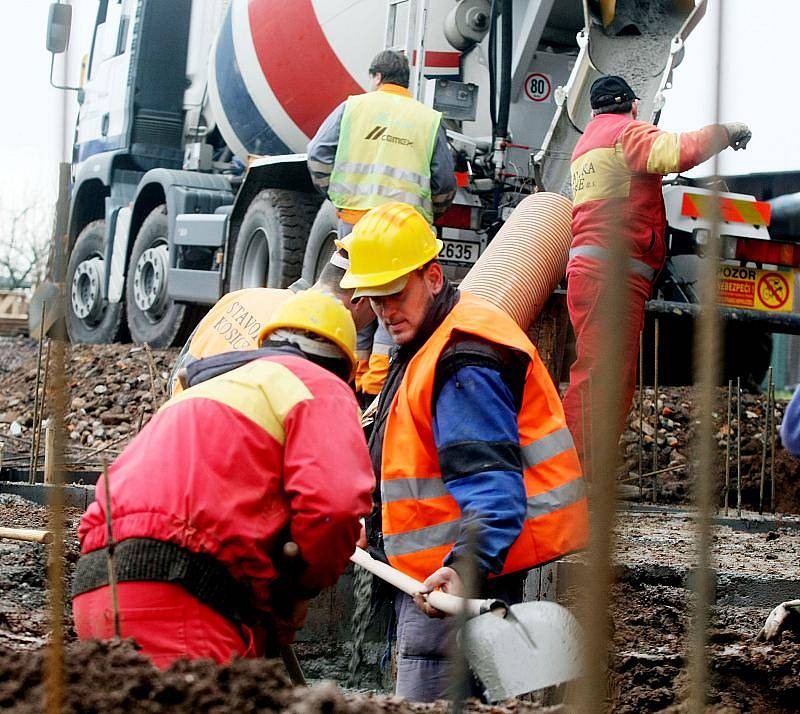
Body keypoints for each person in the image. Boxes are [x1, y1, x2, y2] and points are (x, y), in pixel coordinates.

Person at [340, 202, 588, 702]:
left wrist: (464, 567)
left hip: (450, 588)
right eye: (376, 299)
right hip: (428, 579)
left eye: (396, 294)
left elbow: (494, 490)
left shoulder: (462, 360)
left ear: (433, 278)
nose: (387, 312)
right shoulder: (428, 341)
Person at [72, 291, 374, 669]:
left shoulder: (209, 389)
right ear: (344, 364)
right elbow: (335, 506)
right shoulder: (320, 385)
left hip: (96, 588)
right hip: (180, 596)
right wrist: (301, 591)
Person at [561, 74, 752, 464]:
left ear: (594, 110)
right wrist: (728, 130)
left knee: (606, 376)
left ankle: (587, 473)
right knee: (601, 378)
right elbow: (678, 151)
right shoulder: (626, 133)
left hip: (598, 275)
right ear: (633, 106)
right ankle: (571, 474)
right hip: (610, 278)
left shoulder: (588, 142)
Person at [307, 49, 457, 402]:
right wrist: (429, 215)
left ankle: (347, 385)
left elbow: (318, 155)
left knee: (359, 304)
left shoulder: (353, 108)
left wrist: (336, 194)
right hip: (403, 233)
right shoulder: (428, 120)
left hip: (356, 226)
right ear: (407, 81)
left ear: (376, 77)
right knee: (394, 305)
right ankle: (379, 396)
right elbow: (445, 182)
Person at [168, 249, 373, 394]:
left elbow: (179, 372)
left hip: (176, 424)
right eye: (379, 302)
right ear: (360, 301)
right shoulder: (316, 350)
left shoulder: (243, 296)